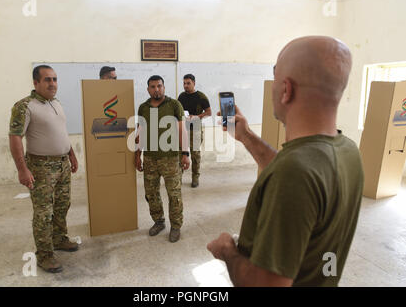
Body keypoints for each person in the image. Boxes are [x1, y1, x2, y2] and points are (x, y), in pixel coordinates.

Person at [207, 36, 364, 287]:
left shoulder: (295, 172)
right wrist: (246, 136)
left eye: (274, 77)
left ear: (286, 90)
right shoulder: (348, 151)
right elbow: (298, 171)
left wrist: (227, 251)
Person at [9, 65, 79, 273]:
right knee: (44, 212)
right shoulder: (24, 106)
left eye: (55, 79)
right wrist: (22, 169)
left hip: (62, 164)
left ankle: (59, 239)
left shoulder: (56, 103)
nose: (52, 84)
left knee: (62, 205)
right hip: (41, 167)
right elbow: (15, 138)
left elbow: (61, 131)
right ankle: (45, 255)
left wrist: (71, 154)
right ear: (36, 83)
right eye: (47, 79)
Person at [135, 75, 190, 243]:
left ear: (164, 87)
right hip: (150, 158)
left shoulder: (174, 105)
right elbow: (140, 133)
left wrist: (185, 153)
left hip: (171, 159)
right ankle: (159, 221)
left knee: (174, 194)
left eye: (159, 86)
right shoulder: (143, 107)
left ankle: (176, 226)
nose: (156, 89)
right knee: (151, 193)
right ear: (148, 89)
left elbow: (182, 130)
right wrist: (137, 155)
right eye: (152, 86)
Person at [177, 74, 211, 187]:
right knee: (180, 154)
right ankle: (179, 177)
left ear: (194, 83)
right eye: (184, 83)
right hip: (182, 130)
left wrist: (196, 117)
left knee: (195, 155)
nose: (185, 86)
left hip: (195, 130)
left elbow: (209, 112)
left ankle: (195, 177)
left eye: (188, 83)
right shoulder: (181, 96)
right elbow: (177, 111)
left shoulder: (201, 96)